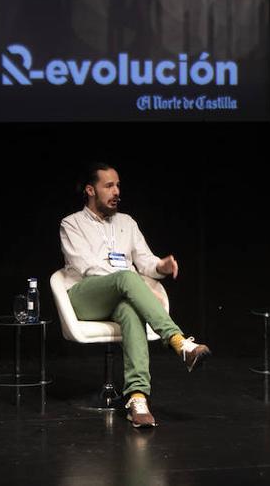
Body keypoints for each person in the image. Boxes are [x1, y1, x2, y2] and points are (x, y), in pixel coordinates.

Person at [59, 163, 211, 428]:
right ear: (90, 190)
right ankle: (178, 342)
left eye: (118, 185)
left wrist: (160, 266)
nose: (116, 191)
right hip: (85, 297)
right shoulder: (71, 224)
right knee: (127, 278)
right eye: (109, 186)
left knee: (131, 311)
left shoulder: (127, 223)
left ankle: (137, 398)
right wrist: (127, 276)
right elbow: (88, 268)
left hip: (121, 293)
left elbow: (146, 261)